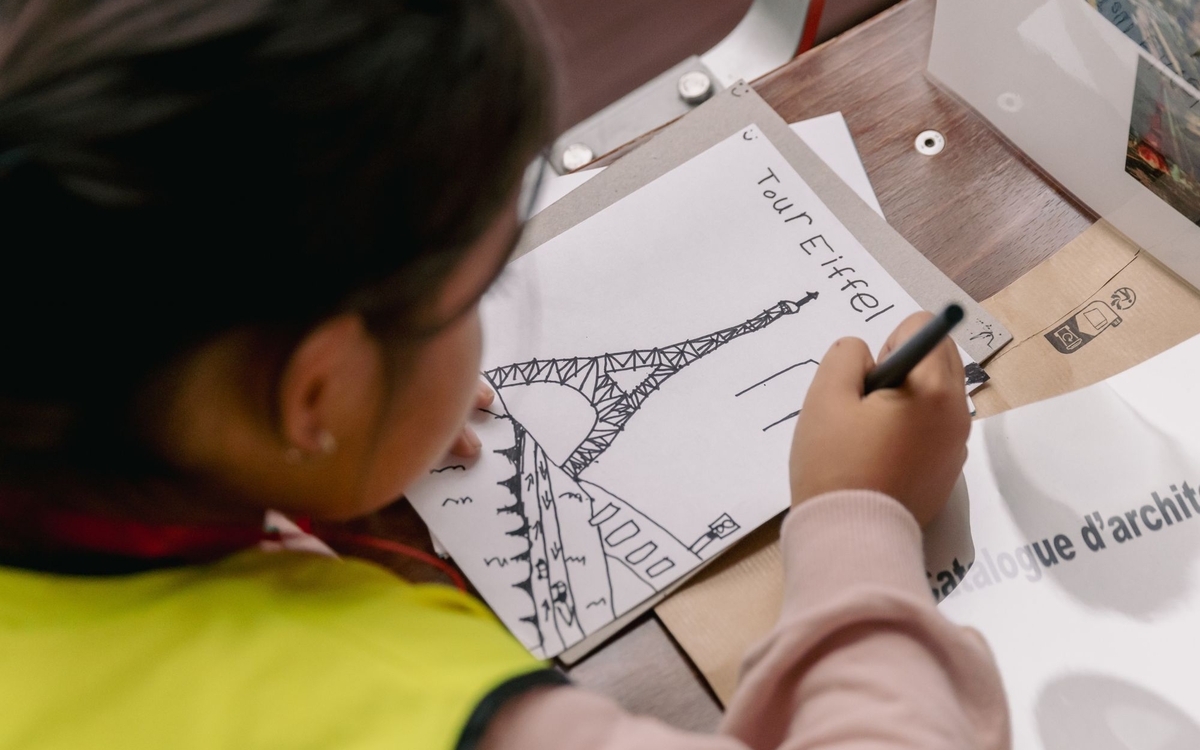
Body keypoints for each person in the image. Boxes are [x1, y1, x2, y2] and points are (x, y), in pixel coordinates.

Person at [0, 0, 1009, 747]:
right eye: (474, 296)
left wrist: (322, 451)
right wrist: (858, 515)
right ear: (318, 390)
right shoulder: (406, 707)